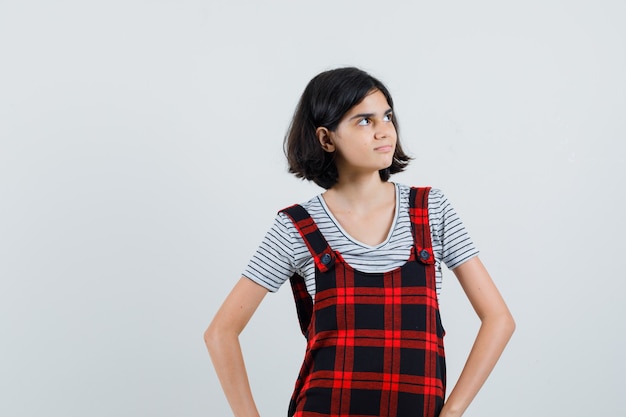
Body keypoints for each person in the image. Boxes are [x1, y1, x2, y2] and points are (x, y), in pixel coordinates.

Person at [204, 67, 515, 417]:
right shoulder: (295, 227)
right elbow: (221, 332)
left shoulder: (431, 211)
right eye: (364, 121)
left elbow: (499, 319)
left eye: (387, 116)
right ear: (326, 139)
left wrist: (452, 411)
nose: (384, 130)